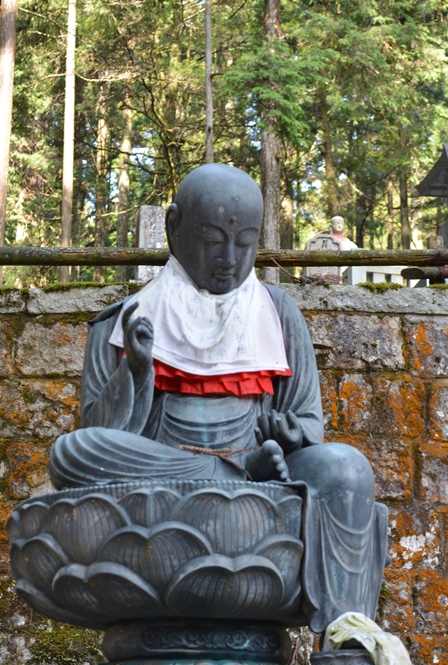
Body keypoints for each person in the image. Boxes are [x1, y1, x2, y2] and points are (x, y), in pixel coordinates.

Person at [48, 164, 388, 634]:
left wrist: (293, 433)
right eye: (211, 241)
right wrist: (136, 370)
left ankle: (346, 640)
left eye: (244, 242)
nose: (229, 258)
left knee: (346, 469)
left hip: (263, 474)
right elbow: (98, 435)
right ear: (174, 228)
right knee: (71, 452)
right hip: (168, 477)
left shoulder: (278, 313)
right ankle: (230, 471)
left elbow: (309, 420)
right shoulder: (124, 321)